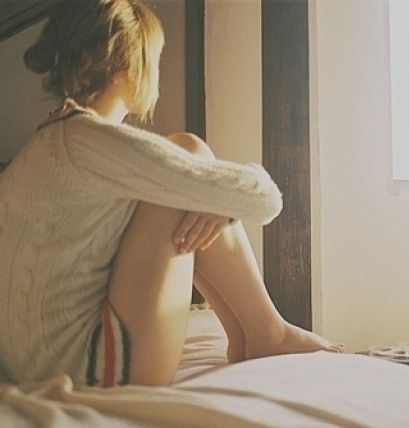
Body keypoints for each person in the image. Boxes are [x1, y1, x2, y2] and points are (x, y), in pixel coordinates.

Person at [0, 0, 341, 388]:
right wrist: (218, 199)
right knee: (190, 151)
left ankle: (257, 333)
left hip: (29, 365)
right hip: (93, 367)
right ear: (127, 68)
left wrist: (213, 197)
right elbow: (265, 200)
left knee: (188, 173)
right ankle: (268, 332)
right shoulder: (91, 142)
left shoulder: (43, 145)